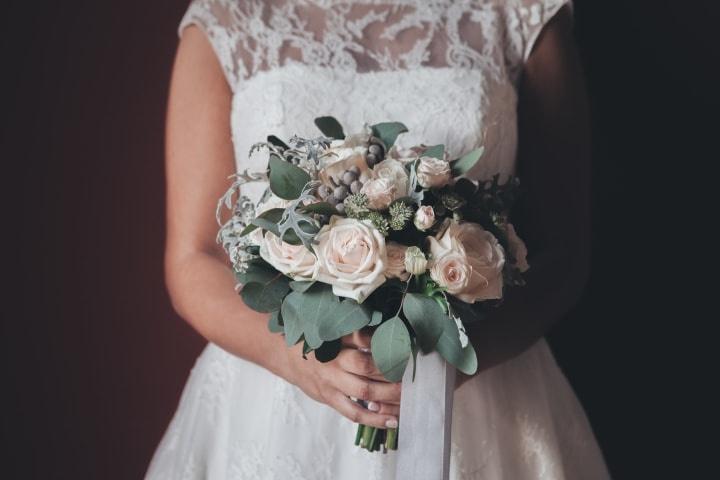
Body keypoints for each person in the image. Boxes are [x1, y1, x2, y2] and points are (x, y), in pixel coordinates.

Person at [146, 0, 611, 478]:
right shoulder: (228, 16)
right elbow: (192, 257)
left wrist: (451, 365)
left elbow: (563, 251)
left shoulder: (519, 12)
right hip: (275, 398)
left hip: (482, 387)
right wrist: (295, 356)